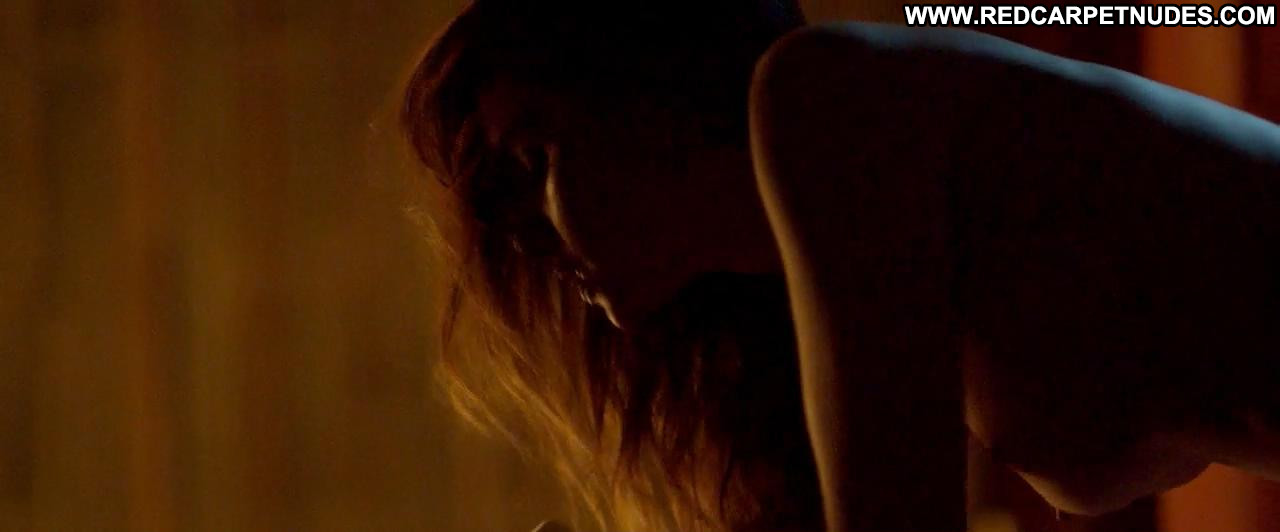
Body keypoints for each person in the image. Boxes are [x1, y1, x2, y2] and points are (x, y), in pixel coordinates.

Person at [399, 1, 1280, 531]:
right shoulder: (824, 287)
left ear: (634, 87)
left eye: (532, 155)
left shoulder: (824, 100)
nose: (532, 238)